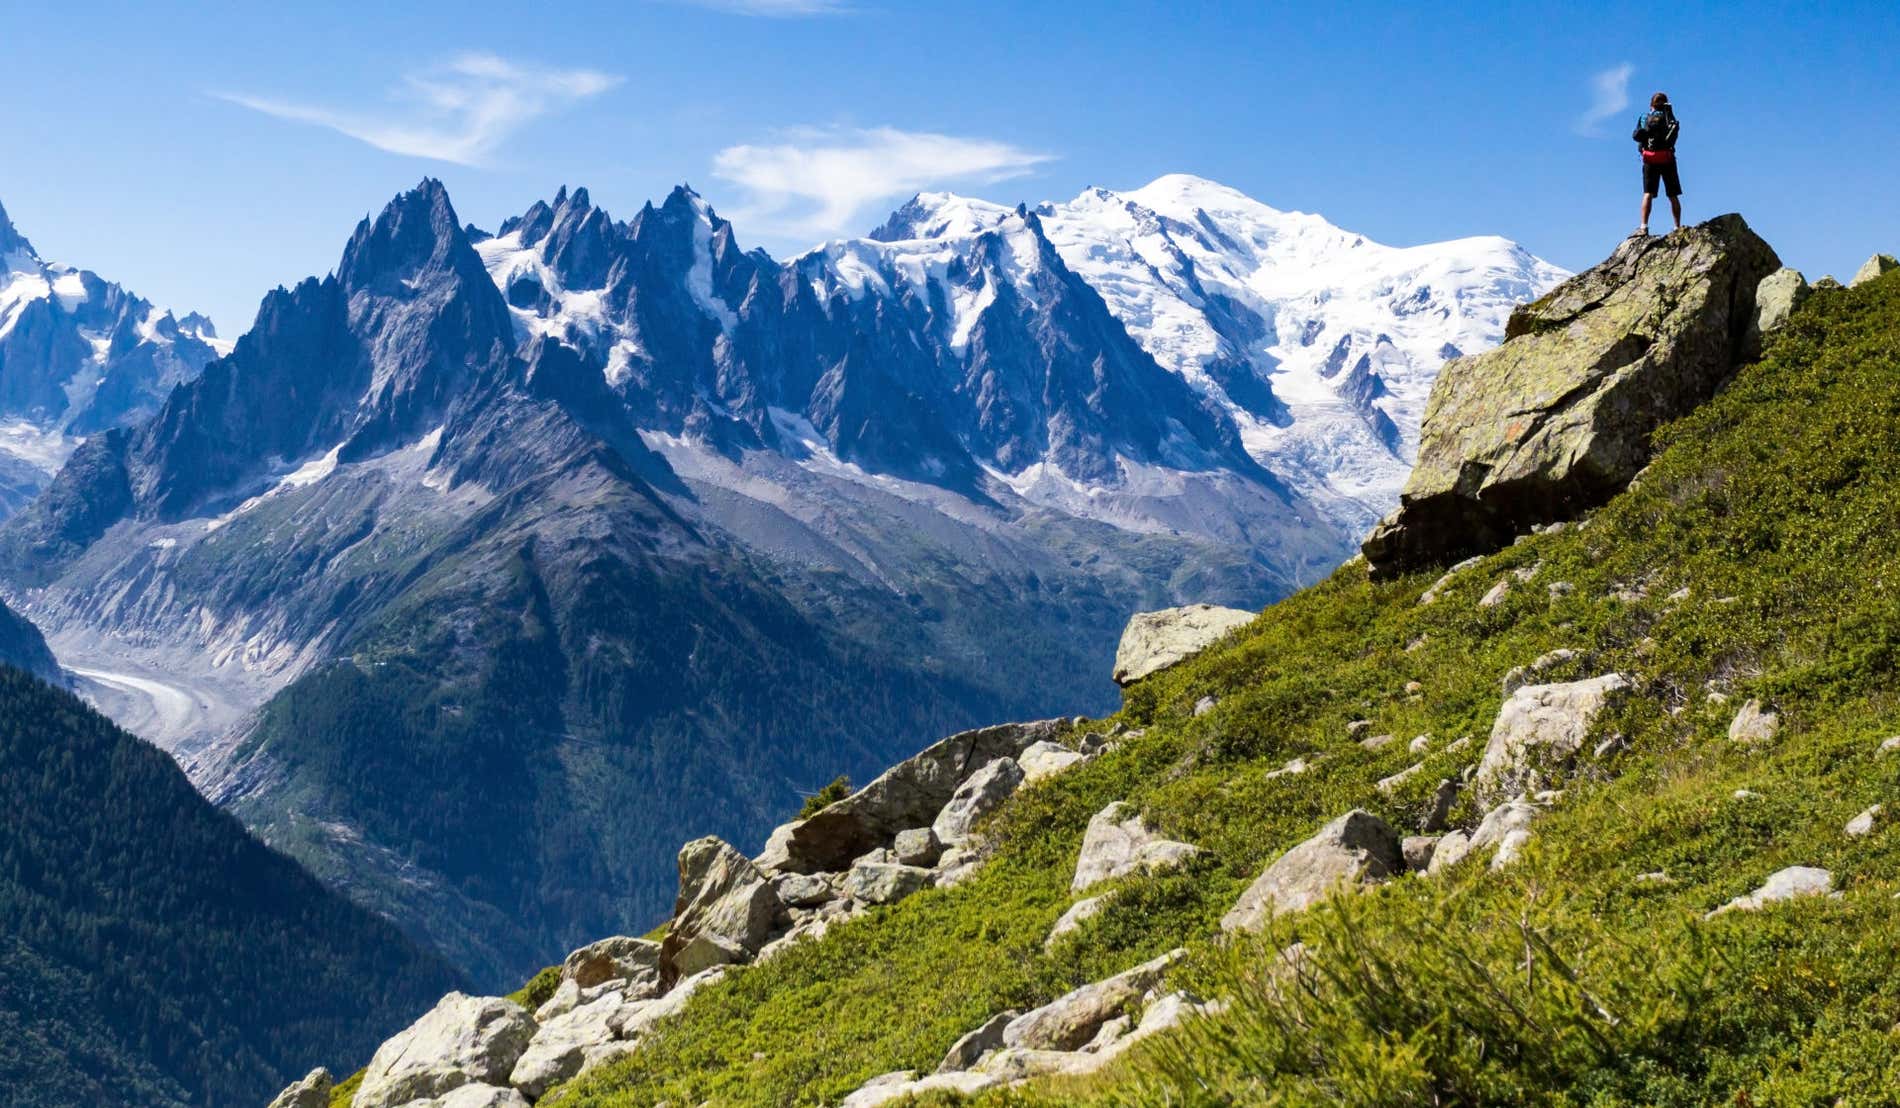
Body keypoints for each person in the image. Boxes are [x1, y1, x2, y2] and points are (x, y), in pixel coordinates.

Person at [1632, 92, 1682, 235]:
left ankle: (1643, 227)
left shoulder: (1644, 117)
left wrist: (1643, 151)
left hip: (1650, 159)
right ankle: (1677, 227)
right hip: (1667, 159)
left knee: (1647, 194)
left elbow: (1638, 137)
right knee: (1673, 195)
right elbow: (1674, 136)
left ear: (1651, 105)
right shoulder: (1668, 117)